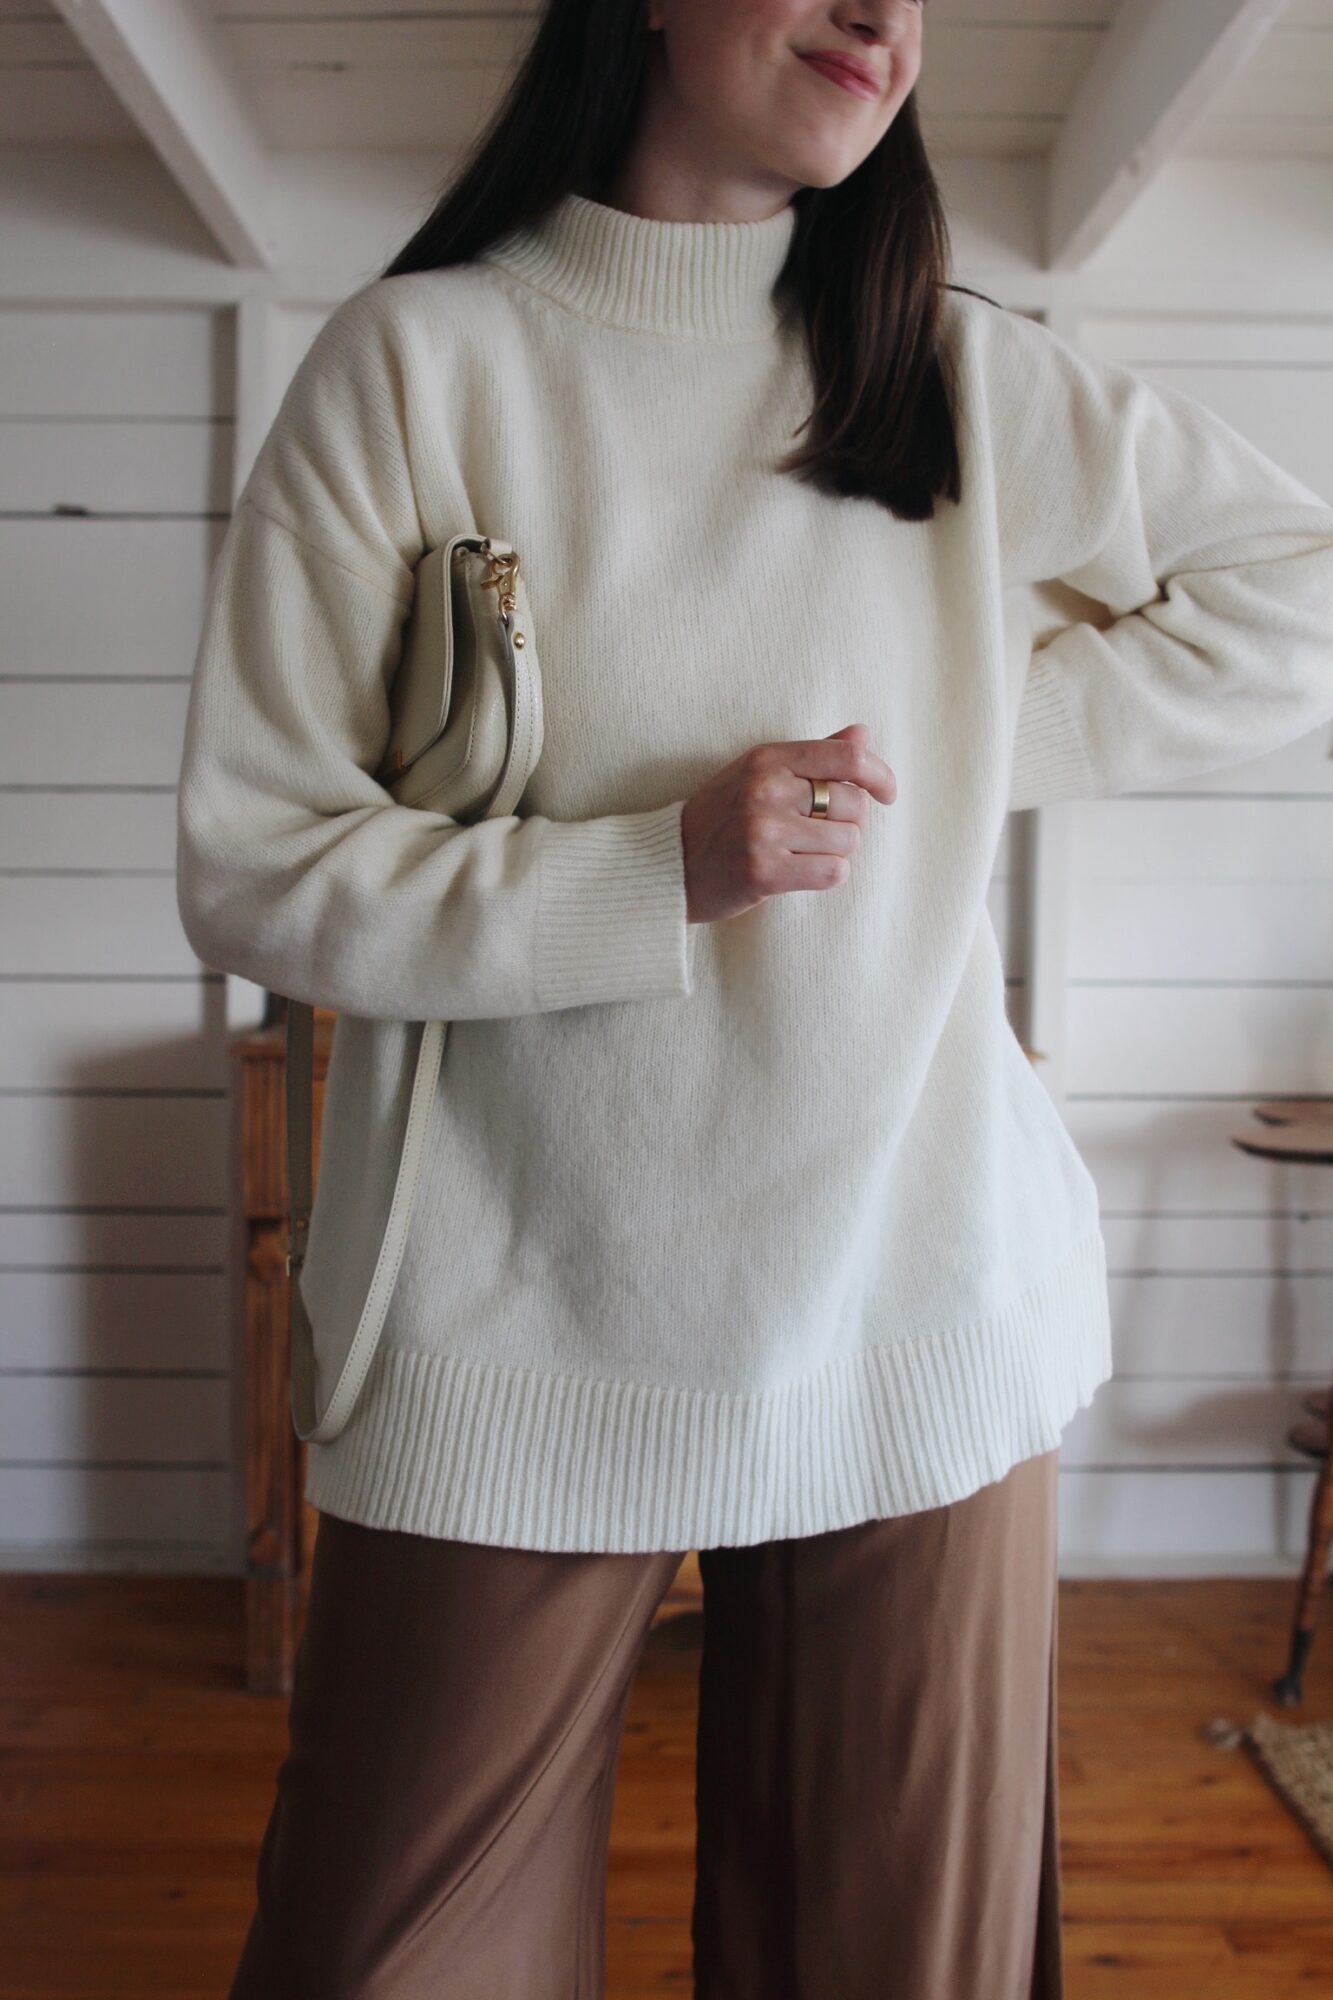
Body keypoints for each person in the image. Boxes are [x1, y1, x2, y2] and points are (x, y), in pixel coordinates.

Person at [175, 1, 1333, 1994]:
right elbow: (259, 866)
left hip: (918, 1300)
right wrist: (662, 871)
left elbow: (1291, 585)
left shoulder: (949, 367)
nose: (883, 16)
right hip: (511, 1325)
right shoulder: (419, 364)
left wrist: (959, 737)